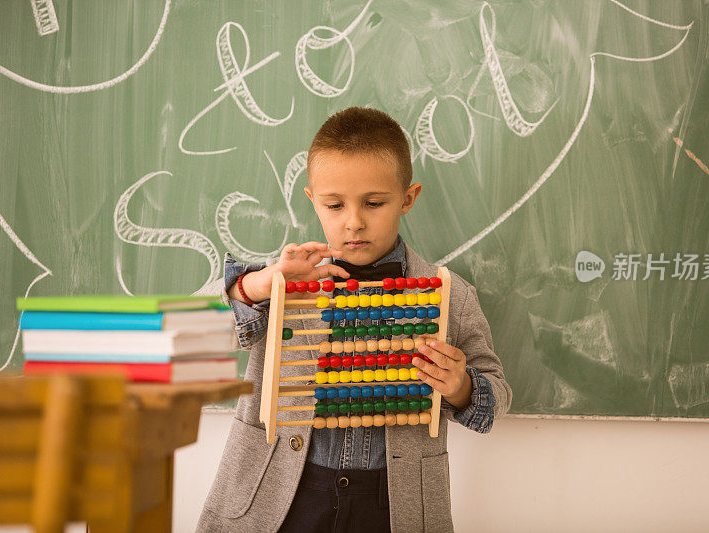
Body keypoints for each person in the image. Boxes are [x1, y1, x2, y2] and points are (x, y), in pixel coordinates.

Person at [195, 107, 512, 533]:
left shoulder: (447, 295)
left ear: (408, 198)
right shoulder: (282, 283)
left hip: (392, 501)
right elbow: (194, 332)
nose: (354, 221)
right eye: (334, 204)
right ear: (313, 199)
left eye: (374, 203)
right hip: (279, 495)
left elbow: (496, 392)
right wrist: (256, 286)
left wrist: (462, 386)